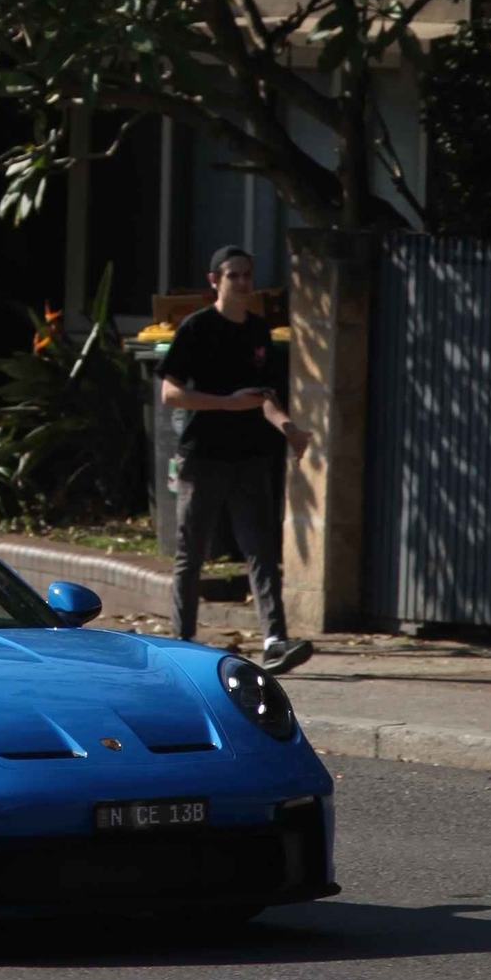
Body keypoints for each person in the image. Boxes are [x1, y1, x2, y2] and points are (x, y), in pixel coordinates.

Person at [159, 245, 310, 670]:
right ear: (215, 282)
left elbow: (264, 399)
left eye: (248, 275)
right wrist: (226, 402)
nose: (243, 283)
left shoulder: (259, 332)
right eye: (233, 276)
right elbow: (170, 394)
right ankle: (183, 639)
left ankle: (275, 639)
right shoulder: (196, 329)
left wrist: (290, 430)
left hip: (250, 458)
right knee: (193, 553)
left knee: (260, 548)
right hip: (203, 456)